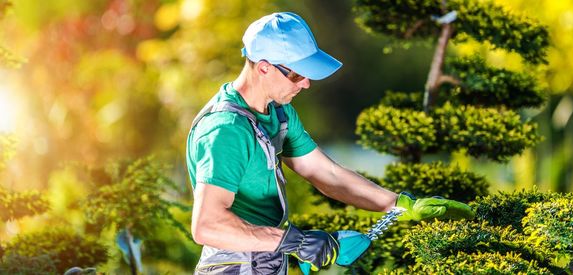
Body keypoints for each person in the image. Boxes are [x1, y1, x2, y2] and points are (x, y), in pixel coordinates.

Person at [186, 12, 474, 275]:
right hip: (232, 268)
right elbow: (207, 225)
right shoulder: (226, 130)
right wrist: (296, 241)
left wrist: (399, 204)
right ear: (263, 68)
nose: (307, 83)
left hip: (267, 263)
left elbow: (328, 174)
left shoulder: (278, 113)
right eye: (298, 74)